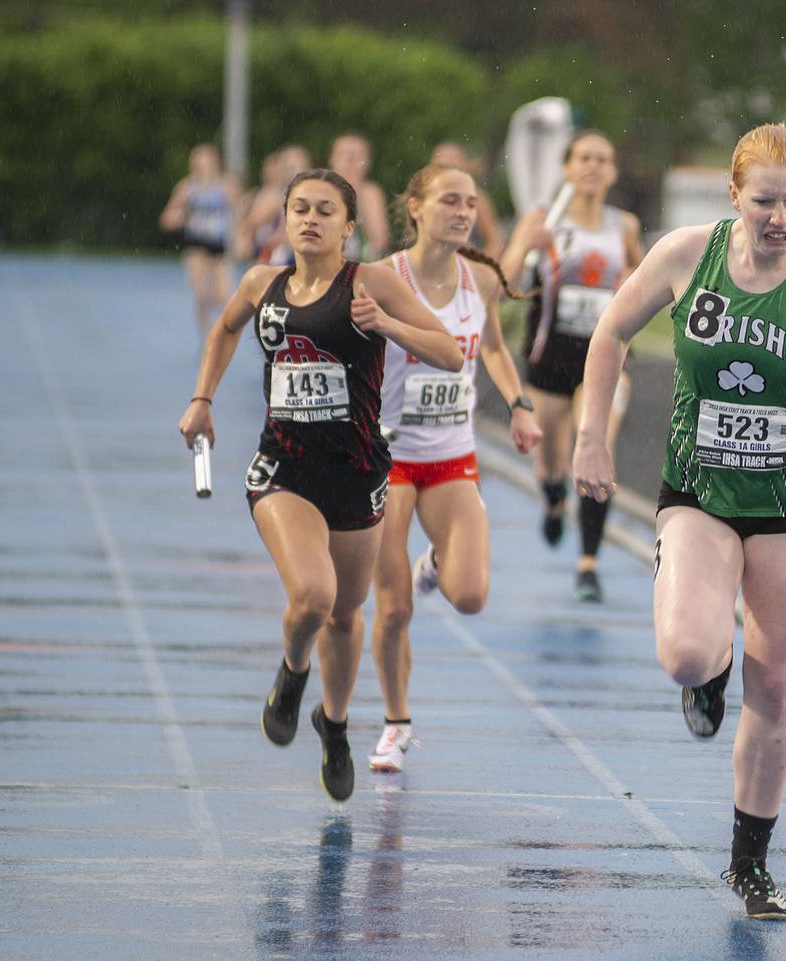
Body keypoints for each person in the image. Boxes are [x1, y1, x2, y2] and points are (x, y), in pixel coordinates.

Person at [572, 122, 786, 920]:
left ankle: (750, 862)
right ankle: (709, 674)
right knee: (688, 652)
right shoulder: (685, 254)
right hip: (699, 492)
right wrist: (592, 435)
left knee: (778, 681)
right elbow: (609, 334)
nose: (779, 218)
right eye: (763, 201)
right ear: (733, 196)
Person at [177, 169, 464, 802]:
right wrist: (203, 398)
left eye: (325, 210)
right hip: (284, 466)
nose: (310, 218)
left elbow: (449, 352)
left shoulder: (373, 283)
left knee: (344, 612)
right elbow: (225, 329)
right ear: (283, 218)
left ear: (348, 227)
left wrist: (386, 325)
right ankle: (291, 672)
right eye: (299, 208)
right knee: (311, 595)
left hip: (357, 473)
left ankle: (332, 725)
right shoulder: (262, 284)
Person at [366, 162, 543, 774]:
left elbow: (490, 344)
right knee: (393, 609)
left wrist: (519, 405)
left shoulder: (480, 280)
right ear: (414, 206)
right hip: (386, 459)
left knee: (469, 595)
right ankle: (396, 723)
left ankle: (437, 561)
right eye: (449, 200)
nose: (463, 211)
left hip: (450, 457)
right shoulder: (382, 279)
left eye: (470, 202)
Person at [501, 130, 644, 602]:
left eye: (602, 159)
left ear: (614, 171)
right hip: (550, 355)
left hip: (605, 359)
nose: (592, 166)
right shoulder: (544, 219)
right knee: (551, 460)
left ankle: (588, 564)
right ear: (567, 167)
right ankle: (553, 497)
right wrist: (527, 247)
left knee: (597, 446)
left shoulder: (624, 227)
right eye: (583, 157)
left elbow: (648, 281)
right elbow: (506, 282)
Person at [159, 143, 241, 338]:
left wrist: (239, 237)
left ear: (216, 163)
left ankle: (222, 334)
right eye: (200, 162)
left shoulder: (227, 185)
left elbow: (240, 213)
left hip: (220, 248)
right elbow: (166, 219)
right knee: (202, 294)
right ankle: (207, 336)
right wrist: (180, 217)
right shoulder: (187, 188)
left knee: (226, 297)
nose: (204, 166)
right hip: (196, 246)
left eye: (208, 161)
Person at [238, 144, 312, 266]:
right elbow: (250, 224)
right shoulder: (274, 195)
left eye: (295, 166)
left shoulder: (313, 192)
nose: (292, 171)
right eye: (288, 167)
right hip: (276, 252)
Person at [429, 141, 506, 257]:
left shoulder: (477, 200)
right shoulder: (427, 200)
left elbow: (496, 243)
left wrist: (478, 266)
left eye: (454, 167)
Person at [330, 132, 391, 262]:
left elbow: (379, 241)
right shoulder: (320, 190)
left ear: (367, 162)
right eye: (343, 155)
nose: (349, 161)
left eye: (355, 156)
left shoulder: (371, 193)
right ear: (332, 159)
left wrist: (357, 193)